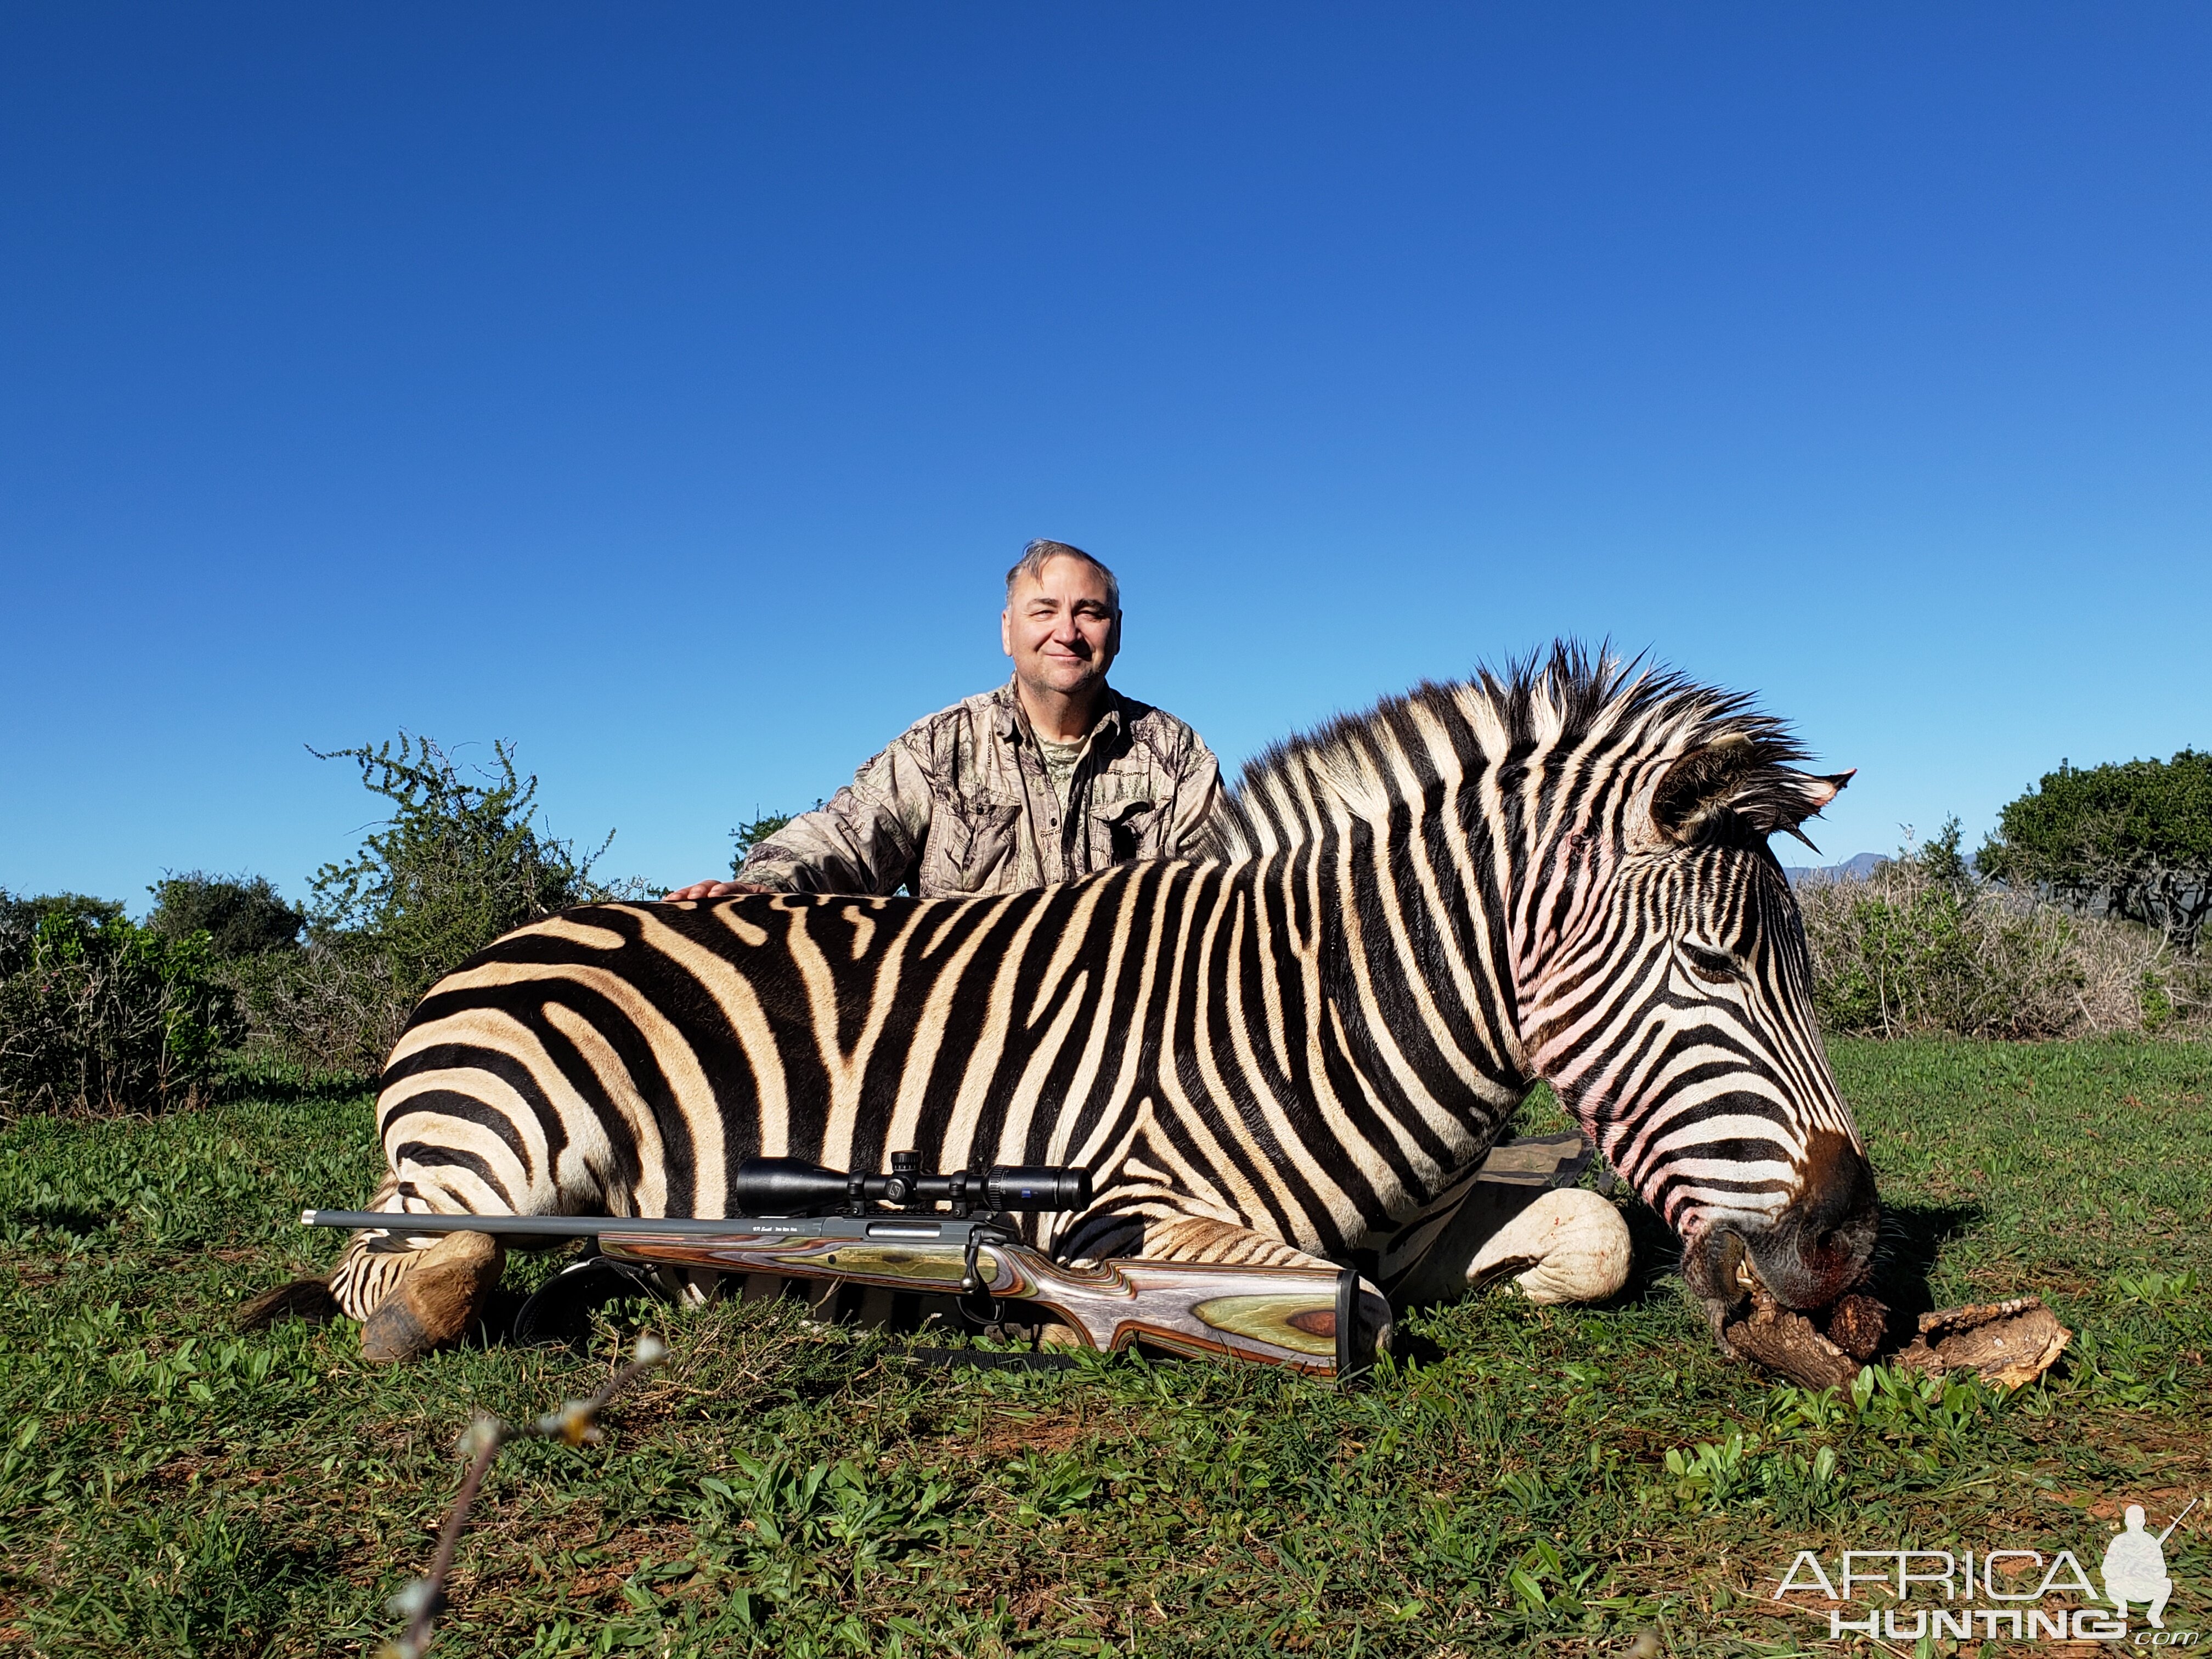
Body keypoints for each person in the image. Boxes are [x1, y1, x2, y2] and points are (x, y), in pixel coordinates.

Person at [666, 540, 1222, 902]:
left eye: (1090, 613)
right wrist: (762, 888)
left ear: (1116, 631)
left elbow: (1224, 896)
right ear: (1008, 631)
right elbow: (848, 836)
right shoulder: (941, 747)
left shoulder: (1175, 756)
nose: (1068, 632)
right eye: (1045, 611)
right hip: (964, 1047)